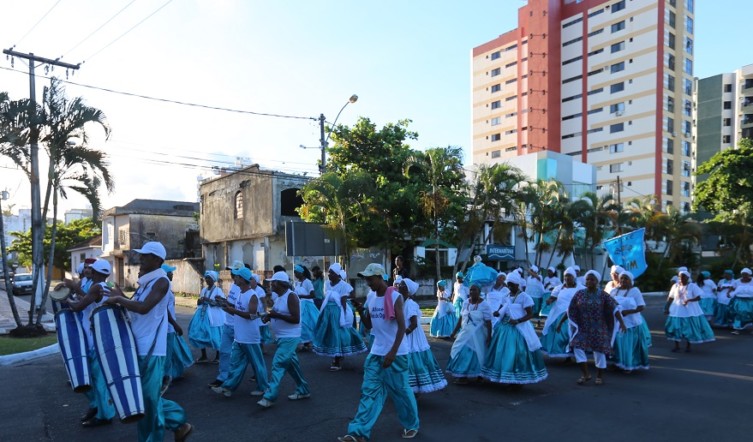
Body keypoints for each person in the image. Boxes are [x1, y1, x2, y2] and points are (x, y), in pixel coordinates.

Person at [105, 242, 192, 441]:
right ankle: (179, 423)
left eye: (146, 256)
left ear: (157, 260)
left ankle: (168, 429)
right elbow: (137, 308)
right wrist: (121, 296)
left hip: (153, 350)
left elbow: (144, 308)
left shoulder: (161, 282)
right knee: (147, 398)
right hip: (140, 346)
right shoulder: (147, 283)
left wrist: (119, 300)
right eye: (141, 256)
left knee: (148, 398)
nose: (141, 259)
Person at [338, 264, 419, 442]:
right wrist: (360, 309)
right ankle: (358, 432)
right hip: (376, 352)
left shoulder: (396, 296)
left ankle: (412, 424)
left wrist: (392, 352)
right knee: (369, 392)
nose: (368, 282)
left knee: (401, 392)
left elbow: (402, 327)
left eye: (370, 279)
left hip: (396, 353)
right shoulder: (371, 297)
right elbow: (369, 326)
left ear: (380, 277)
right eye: (366, 279)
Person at [57, 259, 116, 428]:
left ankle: (104, 413)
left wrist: (67, 297)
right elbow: (98, 296)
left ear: (96, 272)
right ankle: (97, 406)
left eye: (92, 268)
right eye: (87, 267)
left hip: (93, 336)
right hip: (96, 333)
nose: (89, 270)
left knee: (95, 378)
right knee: (91, 377)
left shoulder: (97, 285)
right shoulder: (95, 283)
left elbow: (80, 304)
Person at [211, 267, 270, 397]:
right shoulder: (240, 293)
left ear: (242, 279)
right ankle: (228, 387)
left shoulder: (252, 295)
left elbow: (251, 315)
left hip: (250, 337)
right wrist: (224, 305)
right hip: (240, 336)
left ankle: (264, 387)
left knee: (257, 363)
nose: (234, 278)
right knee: (235, 363)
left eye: (237, 277)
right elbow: (235, 309)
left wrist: (233, 311)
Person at [482, 272, 547, 385]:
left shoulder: (524, 297)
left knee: (516, 353)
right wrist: (497, 312)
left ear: (518, 284)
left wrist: (517, 321)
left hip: (519, 329)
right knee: (501, 352)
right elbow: (502, 307)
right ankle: (505, 376)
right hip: (504, 327)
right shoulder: (506, 295)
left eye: (512, 284)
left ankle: (516, 380)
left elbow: (530, 314)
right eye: (509, 284)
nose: (510, 286)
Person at [257, 271, 311, 408]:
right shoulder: (279, 297)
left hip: (290, 337)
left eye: (273, 282)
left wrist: (277, 315)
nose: (270, 284)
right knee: (292, 366)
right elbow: (278, 313)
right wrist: (270, 316)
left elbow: (295, 318)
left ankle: (269, 396)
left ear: (280, 284)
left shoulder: (291, 296)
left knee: (278, 364)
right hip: (282, 337)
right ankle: (303, 390)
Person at [564, 270, 627, 386]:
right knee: (577, 346)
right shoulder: (579, 294)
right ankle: (585, 374)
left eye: (592, 279)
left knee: (599, 352)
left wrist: (622, 323)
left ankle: (599, 376)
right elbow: (570, 309)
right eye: (587, 279)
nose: (589, 281)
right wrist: (565, 322)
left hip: (599, 328)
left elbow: (614, 308)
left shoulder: (603, 295)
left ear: (597, 281)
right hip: (583, 328)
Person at [313, 263, 367, 371]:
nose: (329, 275)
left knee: (336, 333)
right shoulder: (327, 283)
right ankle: (336, 354)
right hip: (327, 311)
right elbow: (326, 297)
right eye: (329, 272)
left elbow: (343, 302)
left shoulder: (343, 285)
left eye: (332, 273)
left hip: (337, 312)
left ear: (337, 274)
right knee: (328, 333)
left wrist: (345, 315)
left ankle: (336, 359)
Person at [399, 278, 447, 394]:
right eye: (399, 285)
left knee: (414, 360)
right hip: (405, 333)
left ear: (408, 290)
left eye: (402, 286)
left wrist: (404, 333)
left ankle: (415, 390)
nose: (399, 287)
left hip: (412, 336)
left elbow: (414, 324)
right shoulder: (401, 302)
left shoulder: (410, 304)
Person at [446, 284, 492, 384]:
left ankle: (479, 375)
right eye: (470, 290)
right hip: (465, 332)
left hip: (478, 334)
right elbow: (461, 318)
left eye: (474, 290)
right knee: (458, 349)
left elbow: (488, 322)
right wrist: (454, 332)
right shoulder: (466, 302)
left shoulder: (484, 305)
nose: (471, 292)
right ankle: (463, 375)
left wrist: (489, 336)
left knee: (477, 354)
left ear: (479, 292)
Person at [208, 262, 244, 388]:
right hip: (228, 324)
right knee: (224, 352)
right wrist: (222, 301)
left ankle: (260, 381)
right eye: (231, 271)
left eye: (234, 271)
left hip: (238, 326)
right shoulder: (234, 285)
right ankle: (223, 377)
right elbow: (230, 303)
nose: (232, 273)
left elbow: (238, 308)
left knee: (245, 356)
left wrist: (224, 305)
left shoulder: (244, 288)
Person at [609, 271, 651, 372]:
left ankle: (629, 365)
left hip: (631, 324)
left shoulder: (635, 291)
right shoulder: (614, 291)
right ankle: (619, 362)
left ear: (630, 280)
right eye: (622, 278)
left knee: (629, 346)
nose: (623, 280)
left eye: (626, 278)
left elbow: (641, 307)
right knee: (618, 344)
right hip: (617, 323)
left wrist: (628, 312)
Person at [664, 270, 715, 352]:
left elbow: (699, 297)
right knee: (676, 328)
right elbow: (670, 298)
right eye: (680, 276)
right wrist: (666, 308)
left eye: (683, 276)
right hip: (676, 311)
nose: (681, 278)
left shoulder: (692, 286)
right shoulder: (675, 286)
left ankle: (688, 346)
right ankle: (677, 346)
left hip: (689, 311)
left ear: (688, 278)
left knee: (688, 329)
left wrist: (689, 300)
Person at [163, 264, 193, 392]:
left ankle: (172, 374)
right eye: (170, 272)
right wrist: (175, 325)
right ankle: (166, 379)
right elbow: (164, 309)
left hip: (170, 326)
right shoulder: (164, 288)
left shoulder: (167, 287)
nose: (172, 274)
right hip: (168, 327)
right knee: (167, 355)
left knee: (173, 352)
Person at [540, 267, 582, 359]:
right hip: (557, 313)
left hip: (572, 314)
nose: (567, 278)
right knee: (555, 332)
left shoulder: (580, 288)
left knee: (568, 333)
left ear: (574, 277)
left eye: (569, 276)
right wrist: (549, 301)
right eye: (565, 276)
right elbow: (553, 297)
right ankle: (560, 352)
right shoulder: (559, 288)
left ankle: (569, 354)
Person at [188, 271, 224, 363]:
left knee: (215, 335)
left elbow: (221, 303)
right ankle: (204, 355)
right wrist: (199, 301)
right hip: (202, 314)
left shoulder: (218, 290)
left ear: (213, 279)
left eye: (209, 278)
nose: (207, 280)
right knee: (200, 333)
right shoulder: (204, 290)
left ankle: (218, 356)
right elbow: (199, 301)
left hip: (214, 316)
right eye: (206, 278)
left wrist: (209, 300)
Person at [293, 264, 319, 350]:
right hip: (299, 305)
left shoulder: (307, 282)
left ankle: (309, 342)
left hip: (307, 306)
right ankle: (305, 342)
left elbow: (313, 295)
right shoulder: (296, 283)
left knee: (308, 323)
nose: (295, 274)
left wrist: (301, 296)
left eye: (296, 273)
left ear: (301, 273)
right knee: (301, 325)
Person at [728, 268, 753, 334]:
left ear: (749, 274)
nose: (744, 276)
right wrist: (728, 293)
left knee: (751, 314)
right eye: (743, 274)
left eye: (746, 274)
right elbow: (732, 288)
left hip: (751, 301)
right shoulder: (737, 281)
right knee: (738, 314)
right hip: (739, 301)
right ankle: (737, 329)